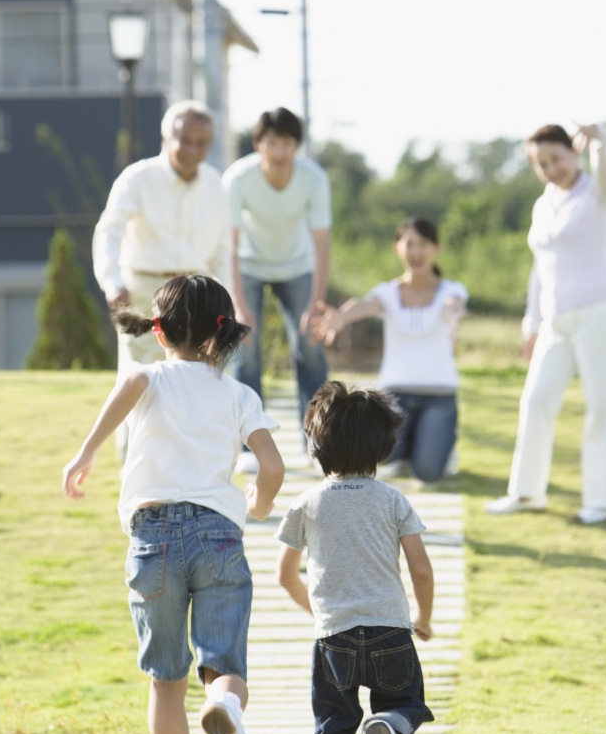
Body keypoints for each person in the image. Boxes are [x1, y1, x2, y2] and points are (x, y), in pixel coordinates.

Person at [61, 274, 285, 734]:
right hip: (219, 538)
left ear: (158, 331)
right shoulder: (239, 395)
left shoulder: (148, 375)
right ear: (223, 331)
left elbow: (127, 387)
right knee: (223, 664)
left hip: (153, 537)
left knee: (166, 681)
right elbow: (273, 467)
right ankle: (225, 708)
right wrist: (256, 505)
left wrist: (84, 454)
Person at [275, 381, 434, 734]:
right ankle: (392, 725)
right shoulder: (392, 500)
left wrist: (320, 613)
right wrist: (422, 617)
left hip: (333, 637)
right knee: (404, 701)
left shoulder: (306, 504)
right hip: (390, 631)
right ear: (384, 446)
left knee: (334, 724)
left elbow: (285, 574)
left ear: (315, 446)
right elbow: (421, 570)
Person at [486, 122, 606, 525]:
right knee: (535, 401)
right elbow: (540, 266)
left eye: (557, 159)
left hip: (600, 311)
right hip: (555, 319)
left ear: (574, 153)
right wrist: (532, 321)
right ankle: (527, 492)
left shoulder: (597, 193)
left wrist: (599, 142)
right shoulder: (543, 203)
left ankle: (603, 500)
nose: (551, 169)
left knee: (603, 405)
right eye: (541, 163)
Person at [92, 100, 231, 458]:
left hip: (198, 297)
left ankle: (182, 482)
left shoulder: (215, 184)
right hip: (143, 291)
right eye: (184, 140)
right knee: (138, 382)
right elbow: (108, 233)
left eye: (202, 143)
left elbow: (221, 250)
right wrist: (113, 284)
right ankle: (134, 482)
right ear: (166, 137)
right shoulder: (138, 178)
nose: (192, 150)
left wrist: (228, 306)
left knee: (193, 388)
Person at [312, 217, 467, 483]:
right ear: (397, 248)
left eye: (423, 244)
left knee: (428, 473)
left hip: (439, 397)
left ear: (436, 248)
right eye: (409, 244)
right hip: (395, 399)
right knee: (380, 461)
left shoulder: (451, 290)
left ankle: (438, 443)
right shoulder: (387, 293)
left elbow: (454, 305)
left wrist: (453, 320)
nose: (416, 252)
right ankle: (412, 444)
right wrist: (341, 318)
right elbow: (364, 305)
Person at [222, 107, 331, 467]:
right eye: (272, 143)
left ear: (296, 145)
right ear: (258, 144)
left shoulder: (313, 178)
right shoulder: (238, 178)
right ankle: (251, 447)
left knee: (309, 346)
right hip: (249, 265)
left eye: (286, 143)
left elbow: (322, 244)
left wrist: (316, 303)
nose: (280, 152)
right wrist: (239, 305)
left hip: (297, 266)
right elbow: (229, 245)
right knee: (245, 349)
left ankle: (319, 443)